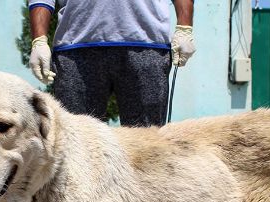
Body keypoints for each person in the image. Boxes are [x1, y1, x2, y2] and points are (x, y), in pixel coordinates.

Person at [27, 0, 195, 127]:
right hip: (76, 48)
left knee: (147, 144)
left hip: (147, 45)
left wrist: (184, 27)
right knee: (76, 142)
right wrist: (39, 40)